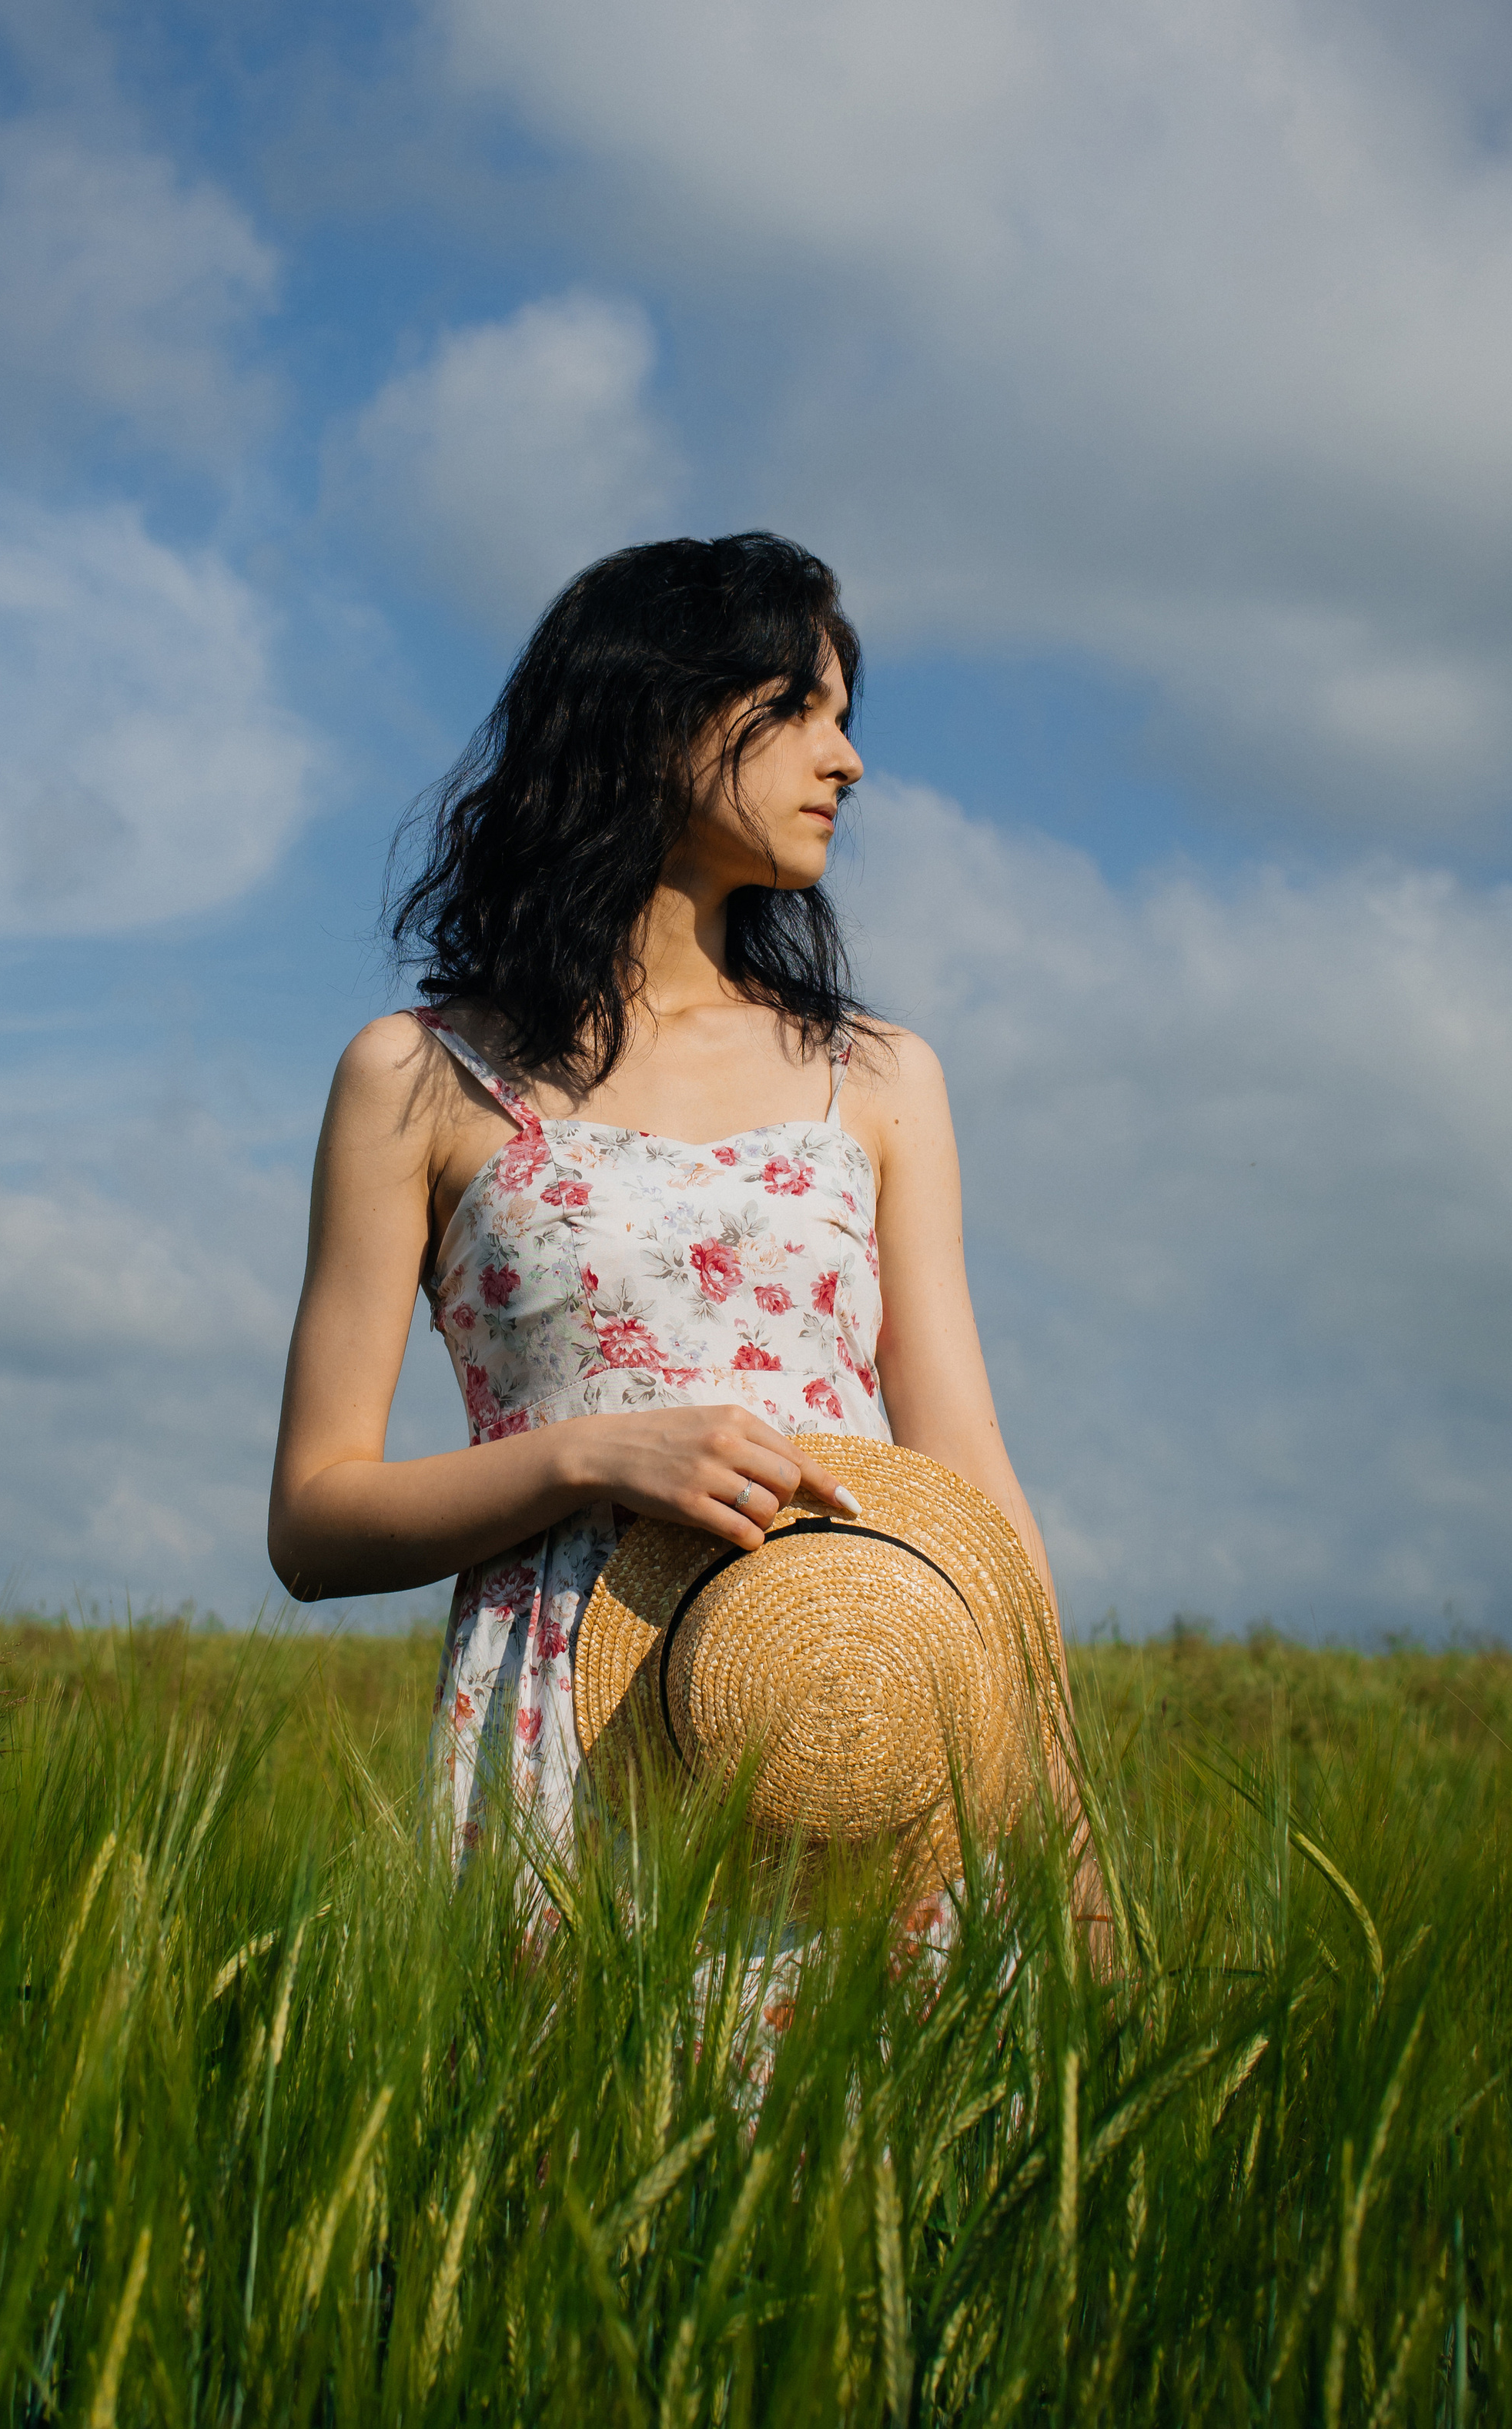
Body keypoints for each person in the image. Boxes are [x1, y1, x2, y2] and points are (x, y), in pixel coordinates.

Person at [269, 532, 1087, 1923]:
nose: (850, 761)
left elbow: (969, 1485)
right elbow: (314, 1523)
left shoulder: (880, 1077)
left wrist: (1067, 1834)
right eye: (800, 710)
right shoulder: (415, 1077)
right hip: (571, 1746)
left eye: (847, 716)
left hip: (868, 1718)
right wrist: (586, 1457)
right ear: (659, 716)